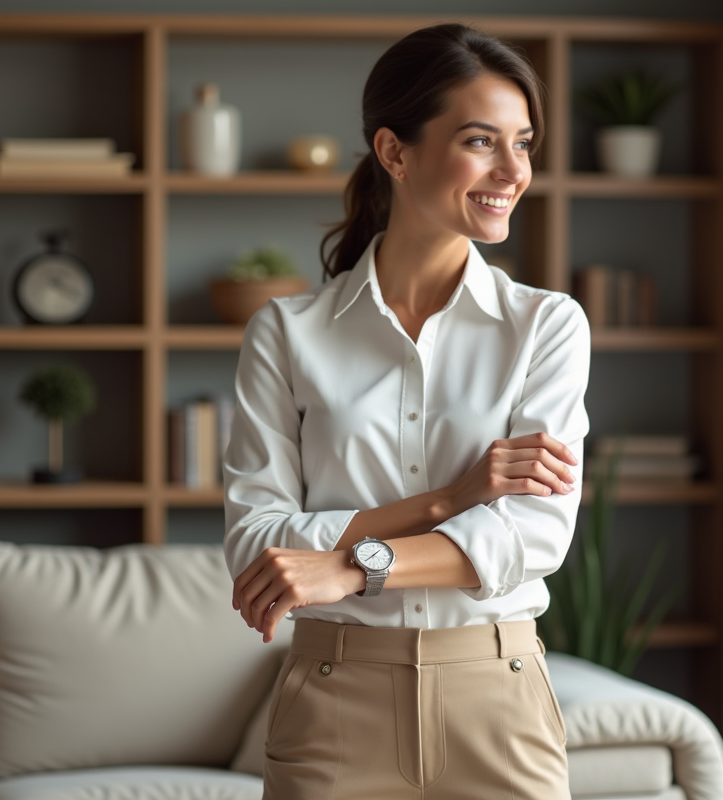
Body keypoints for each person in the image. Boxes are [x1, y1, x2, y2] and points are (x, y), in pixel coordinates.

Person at [223, 21, 591, 800]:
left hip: (497, 695)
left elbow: (532, 533)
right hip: (332, 701)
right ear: (394, 152)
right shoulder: (286, 334)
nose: (512, 171)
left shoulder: (546, 326)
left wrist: (350, 567)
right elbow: (258, 545)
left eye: (522, 144)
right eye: (481, 141)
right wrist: (450, 501)